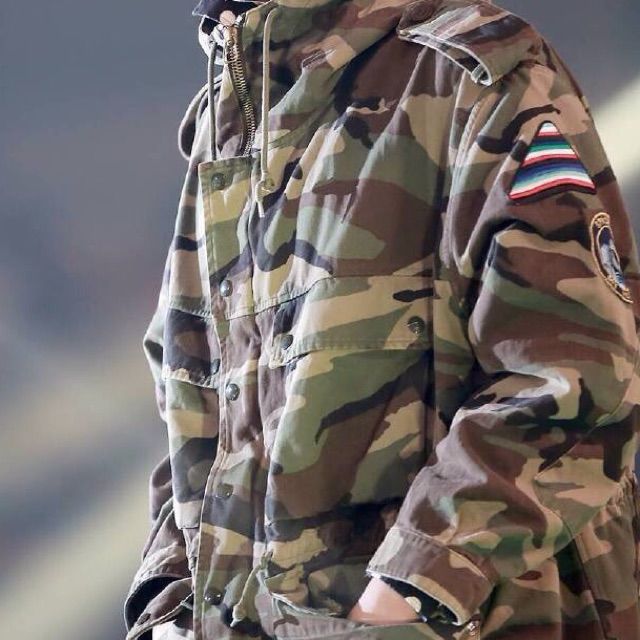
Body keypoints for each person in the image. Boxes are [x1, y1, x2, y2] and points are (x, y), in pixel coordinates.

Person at [122, 0, 640, 638]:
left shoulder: (470, 73)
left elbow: (576, 374)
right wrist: (171, 602)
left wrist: (407, 591)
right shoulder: (228, 118)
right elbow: (196, 407)